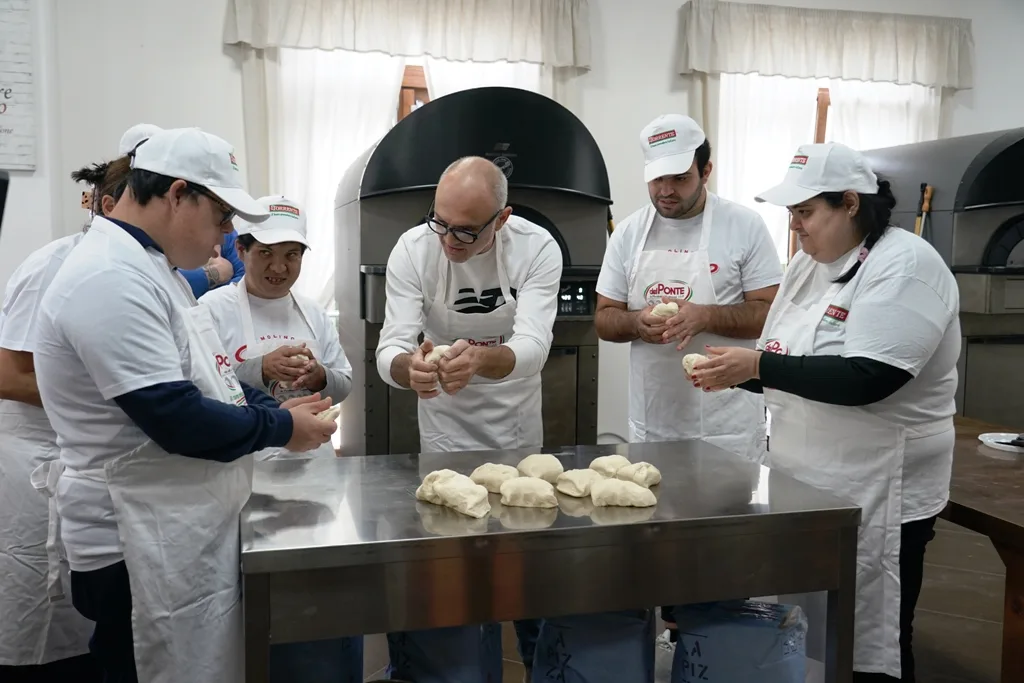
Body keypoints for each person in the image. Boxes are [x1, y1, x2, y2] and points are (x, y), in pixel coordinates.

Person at [32, 127, 337, 683]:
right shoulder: (108, 277)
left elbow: (212, 377)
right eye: (223, 218)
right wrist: (280, 428)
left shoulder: (155, 271)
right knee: (142, 664)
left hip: (169, 522)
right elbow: (175, 418)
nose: (225, 238)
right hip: (130, 535)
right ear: (177, 194)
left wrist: (278, 412)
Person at [691, 142, 960, 683]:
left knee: (872, 632)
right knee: (813, 627)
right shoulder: (807, 267)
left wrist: (758, 369)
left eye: (806, 212)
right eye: (792, 214)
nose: (796, 227)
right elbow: (788, 364)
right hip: (810, 481)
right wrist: (734, 373)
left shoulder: (904, 264)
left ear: (851, 204)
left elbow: (871, 377)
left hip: (881, 484)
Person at [593, 113, 783, 649]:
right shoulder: (630, 232)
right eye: (658, 179)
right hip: (656, 415)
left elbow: (770, 313)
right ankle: (673, 632)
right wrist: (638, 322)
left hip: (727, 418)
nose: (666, 191)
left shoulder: (743, 227)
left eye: (679, 178)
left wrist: (704, 315)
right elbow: (605, 318)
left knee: (724, 539)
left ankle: (723, 640)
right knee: (659, 534)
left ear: (707, 171)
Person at [375, 156, 562, 683]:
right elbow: (392, 343)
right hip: (444, 431)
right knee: (455, 571)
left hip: (516, 431)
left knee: (522, 571)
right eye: (440, 221)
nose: (449, 240)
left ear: (501, 220)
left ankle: (539, 665)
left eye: (465, 230)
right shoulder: (414, 249)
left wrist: (482, 359)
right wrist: (406, 369)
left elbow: (534, 344)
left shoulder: (535, 247)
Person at [0, 154, 132, 683]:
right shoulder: (53, 265)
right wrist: (114, 400)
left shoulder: (133, 273)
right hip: (36, 464)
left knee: (80, 631)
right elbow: (8, 375)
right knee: (32, 617)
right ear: (103, 204)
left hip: (86, 466)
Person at [201, 195, 354, 458]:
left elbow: (344, 385)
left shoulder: (313, 312)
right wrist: (260, 368)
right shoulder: (211, 309)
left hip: (315, 463)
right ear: (240, 250)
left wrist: (319, 376)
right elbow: (203, 390)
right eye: (265, 253)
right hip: (247, 465)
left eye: (291, 255)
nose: (279, 267)